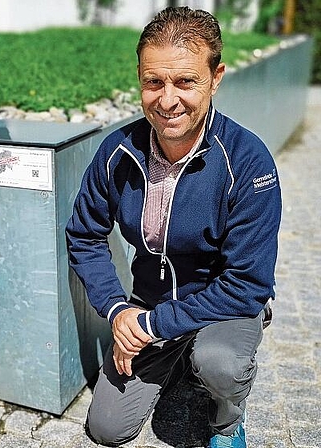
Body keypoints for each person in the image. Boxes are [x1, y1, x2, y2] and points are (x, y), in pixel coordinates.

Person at [66, 7, 281, 448]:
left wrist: (151, 325)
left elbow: (247, 283)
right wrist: (117, 310)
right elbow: (84, 234)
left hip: (224, 304)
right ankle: (179, 352)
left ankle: (227, 420)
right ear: (140, 79)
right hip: (150, 302)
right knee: (108, 429)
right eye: (153, 82)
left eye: (185, 81)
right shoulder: (117, 151)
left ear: (215, 77)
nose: (167, 100)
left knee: (219, 362)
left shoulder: (248, 160)